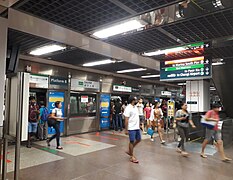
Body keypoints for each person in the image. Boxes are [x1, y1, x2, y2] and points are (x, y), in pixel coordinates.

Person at [124, 96, 141, 163]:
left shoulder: (135, 107)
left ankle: (129, 151)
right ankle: (131, 156)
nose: (137, 100)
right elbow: (126, 119)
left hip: (136, 127)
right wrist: (126, 129)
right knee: (131, 141)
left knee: (139, 139)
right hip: (131, 128)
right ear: (132, 100)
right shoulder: (128, 108)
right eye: (135, 99)